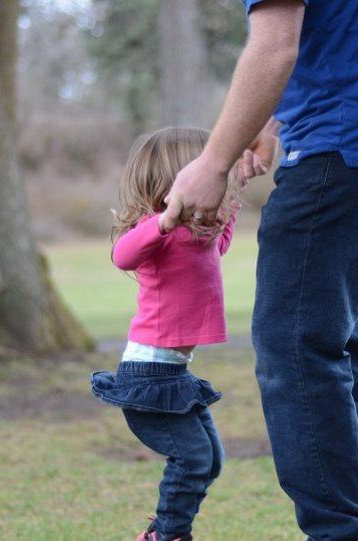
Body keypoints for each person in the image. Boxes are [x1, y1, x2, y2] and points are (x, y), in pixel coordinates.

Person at [161, 1, 358, 539]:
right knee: (331, 351)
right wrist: (269, 120)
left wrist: (213, 163)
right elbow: (325, 30)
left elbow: (274, 45)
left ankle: (349, 534)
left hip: (343, 147)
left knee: (294, 353)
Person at [90, 127, 249, 541]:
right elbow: (121, 254)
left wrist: (235, 192)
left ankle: (163, 531)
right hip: (147, 377)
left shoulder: (197, 238)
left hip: (174, 375)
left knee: (210, 461)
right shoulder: (155, 234)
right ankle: (168, 535)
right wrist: (163, 220)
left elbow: (221, 242)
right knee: (193, 459)